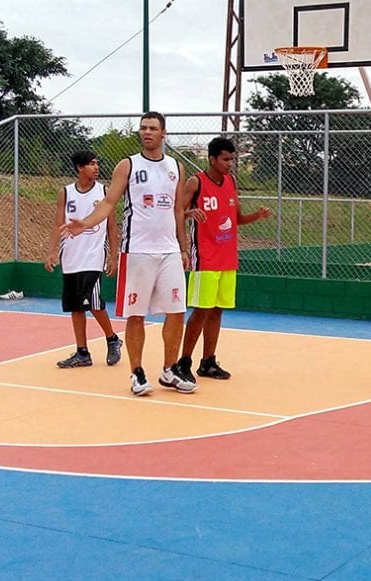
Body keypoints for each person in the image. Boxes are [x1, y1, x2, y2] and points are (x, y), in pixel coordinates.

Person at [62, 111, 195, 396]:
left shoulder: (176, 167)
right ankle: (136, 372)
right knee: (136, 315)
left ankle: (169, 370)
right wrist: (84, 223)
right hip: (137, 251)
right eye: (143, 128)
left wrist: (183, 248)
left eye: (152, 128)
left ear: (164, 134)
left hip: (169, 251)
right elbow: (109, 202)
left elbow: (178, 211)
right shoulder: (128, 165)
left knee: (176, 311)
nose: (147, 132)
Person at [177, 137, 271, 380]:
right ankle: (183, 362)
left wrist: (256, 216)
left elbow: (237, 218)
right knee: (201, 310)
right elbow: (176, 213)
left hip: (227, 257)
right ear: (212, 159)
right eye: (226, 159)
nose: (230, 163)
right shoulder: (195, 182)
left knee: (218, 310)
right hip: (205, 256)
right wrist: (188, 214)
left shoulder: (231, 181)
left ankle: (208, 361)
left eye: (232, 159)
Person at [45, 150, 123, 368]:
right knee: (75, 307)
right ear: (80, 168)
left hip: (93, 257)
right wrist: (52, 251)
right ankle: (82, 352)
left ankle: (112, 339)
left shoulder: (104, 192)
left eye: (97, 163)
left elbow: (111, 227)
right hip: (71, 256)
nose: (96, 167)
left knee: (94, 302)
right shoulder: (66, 193)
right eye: (91, 164)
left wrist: (113, 256)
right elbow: (56, 224)